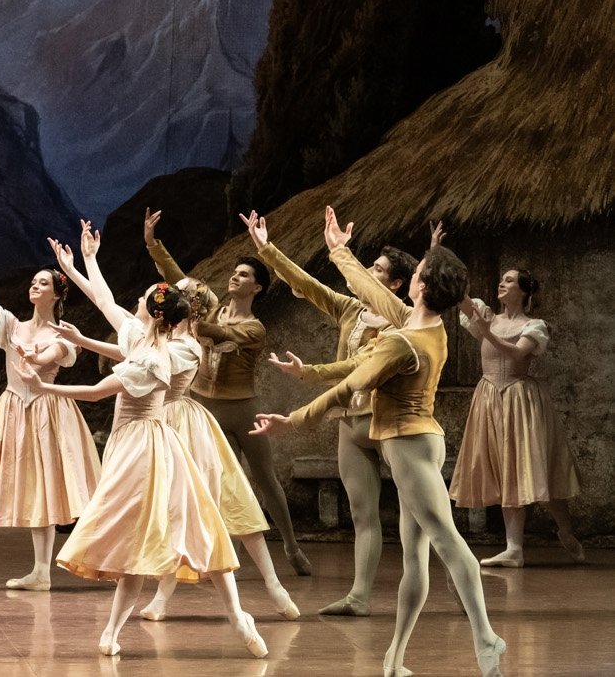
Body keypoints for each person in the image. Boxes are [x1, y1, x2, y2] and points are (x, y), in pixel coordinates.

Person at [256, 207, 507, 677]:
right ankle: (394, 659)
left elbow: (349, 387)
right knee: (414, 560)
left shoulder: (401, 341)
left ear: (420, 286)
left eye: (418, 271)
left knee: (447, 543)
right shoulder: (421, 322)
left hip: (409, 447)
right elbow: (367, 290)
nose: (409, 278)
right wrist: (339, 252)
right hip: (417, 441)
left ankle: (485, 636)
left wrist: (292, 419)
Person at [24, 228, 265, 661]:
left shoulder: (173, 352)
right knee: (140, 538)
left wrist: (46, 386)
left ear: (157, 313)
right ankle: (112, 631)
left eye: (142, 301)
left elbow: (103, 387)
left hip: (153, 444)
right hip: (135, 442)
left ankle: (237, 616)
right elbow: (106, 303)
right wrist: (82, 264)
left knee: (194, 527)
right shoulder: (148, 339)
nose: (134, 304)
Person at [242, 208, 417, 615]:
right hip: (350, 423)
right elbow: (308, 285)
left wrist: (308, 372)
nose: (366, 272)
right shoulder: (352, 310)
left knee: (421, 516)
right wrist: (267, 250)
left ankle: (458, 589)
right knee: (362, 513)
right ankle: (359, 597)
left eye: (377, 269)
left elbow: (357, 368)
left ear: (395, 285)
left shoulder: (402, 326)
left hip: (388, 422)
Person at [143, 208, 310, 576]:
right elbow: (182, 281)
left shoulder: (254, 328)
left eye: (245, 274)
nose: (236, 276)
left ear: (258, 287)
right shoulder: (214, 310)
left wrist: (193, 319)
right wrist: (154, 245)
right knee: (218, 481)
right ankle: (222, 554)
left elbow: (221, 334)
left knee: (265, 478)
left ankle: (291, 545)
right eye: (235, 272)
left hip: (243, 409)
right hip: (207, 407)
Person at [0, 263, 99, 593]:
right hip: (16, 409)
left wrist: (30, 353)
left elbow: (43, 360)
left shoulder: (63, 335)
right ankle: (41, 572)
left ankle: (93, 560)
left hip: (48, 410)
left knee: (52, 488)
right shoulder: (11, 325)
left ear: (57, 294)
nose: (34, 286)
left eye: (43, 283)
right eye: (33, 281)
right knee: (35, 490)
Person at [450, 269, 584, 566]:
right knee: (505, 471)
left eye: (509, 280)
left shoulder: (534, 326)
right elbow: (458, 296)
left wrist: (486, 333)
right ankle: (514, 549)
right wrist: (436, 256)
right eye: (501, 279)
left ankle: (565, 529)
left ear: (523, 291)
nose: (502, 282)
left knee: (538, 472)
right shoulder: (487, 315)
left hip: (520, 399)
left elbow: (516, 354)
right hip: (489, 397)